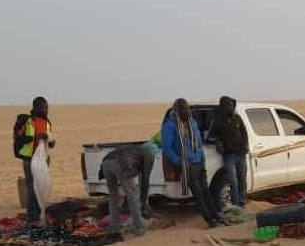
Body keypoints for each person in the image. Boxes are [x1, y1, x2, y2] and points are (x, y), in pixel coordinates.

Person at [162, 98, 223, 227]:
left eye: (187, 108)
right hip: (187, 165)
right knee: (198, 195)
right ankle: (209, 219)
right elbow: (167, 148)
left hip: (199, 163)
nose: (187, 111)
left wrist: (202, 159)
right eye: (183, 109)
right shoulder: (170, 125)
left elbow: (199, 143)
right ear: (176, 111)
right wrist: (180, 162)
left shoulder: (192, 123)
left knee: (206, 192)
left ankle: (216, 216)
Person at [100, 142, 157, 235]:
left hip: (106, 164)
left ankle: (114, 226)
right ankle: (139, 228)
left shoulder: (136, 150)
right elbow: (145, 178)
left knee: (113, 196)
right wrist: (143, 200)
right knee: (133, 196)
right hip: (121, 164)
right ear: (153, 152)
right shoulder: (148, 154)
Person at [15, 96, 56, 224]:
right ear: (36, 108)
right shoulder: (27, 121)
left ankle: (39, 214)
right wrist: (37, 137)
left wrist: (50, 139)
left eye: (47, 108)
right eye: (45, 108)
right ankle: (32, 217)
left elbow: (51, 144)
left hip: (43, 159)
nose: (47, 110)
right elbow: (19, 138)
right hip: (29, 159)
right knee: (32, 189)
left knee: (42, 187)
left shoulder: (47, 123)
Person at [209, 96, 249, 208]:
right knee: (233, 182)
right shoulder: (217, 121)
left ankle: (242, 203)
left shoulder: (237, 118)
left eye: (232, 105)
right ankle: (236, 205)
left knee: (242, 180)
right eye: (229, 106)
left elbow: (244, 132)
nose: (231, 108)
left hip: (241, 154)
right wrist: (218, 142)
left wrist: (246, 145)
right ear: (223, 107)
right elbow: (211, 136)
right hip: (229, 155)